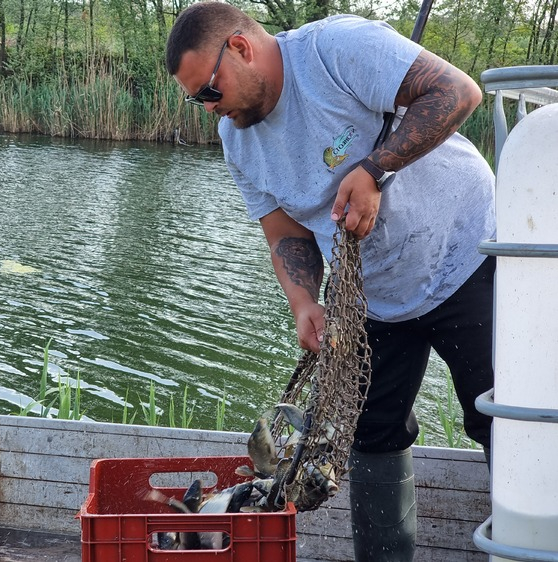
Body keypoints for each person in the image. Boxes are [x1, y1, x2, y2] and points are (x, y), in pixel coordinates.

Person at [166, 2, 496, 560]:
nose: (209, 110)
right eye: (197, 100)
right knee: (373, 435)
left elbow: (457, 92)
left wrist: (374, 170)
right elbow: (284, 230)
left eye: (209, 92)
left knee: (498, 417)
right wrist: (303, 303)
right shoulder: (237, 137)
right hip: (370, 296)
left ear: (241, 49)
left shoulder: (336, 50)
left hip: (465, 254)